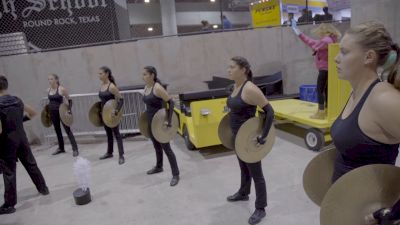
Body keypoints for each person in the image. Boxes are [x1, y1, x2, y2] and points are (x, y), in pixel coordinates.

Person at [329, 21, 400, 223]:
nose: (335, 58)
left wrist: (394, 212)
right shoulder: (356, 94)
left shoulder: (383, 100)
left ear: (368, 57)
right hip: (348, 207)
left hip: (371, 214)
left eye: (343, 52)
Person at [225, 57, 274, 225]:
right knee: (243, 167)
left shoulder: (250, 89)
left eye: (232, 67)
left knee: (256, 173)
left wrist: (263, 136)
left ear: (243, 69)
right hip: (238, 137)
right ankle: (243, 192)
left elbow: (270, 112)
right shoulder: (235, 87)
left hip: (249, 139)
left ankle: (261, 208)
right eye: (228, 67)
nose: (228, 70)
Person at [0, 75, 49, 214]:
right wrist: (19, 121)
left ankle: (9, 205)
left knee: (9, 172)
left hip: (7, 142)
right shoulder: (17, 100)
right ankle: (43, 188)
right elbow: (33, 113)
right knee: (31, 164)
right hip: (22, 139)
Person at [291, 21, 341, 119]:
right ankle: (327, 108)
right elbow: (312, 42)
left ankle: (321, 112)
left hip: (324, 70)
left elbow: (313, 45)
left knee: (319, 90)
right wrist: (299, 34)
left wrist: (299, 33)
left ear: (324, 31)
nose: (319, 35)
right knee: (326, 90)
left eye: (320, 32)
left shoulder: (326, 40)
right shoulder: (331, 40)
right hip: (329, 69)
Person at [142, 66, 180, 186]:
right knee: (156, 146)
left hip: (160, 123)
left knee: (167, 148)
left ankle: (176, 174)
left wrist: (169, 121)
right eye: (143, 74)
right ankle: (159, 166)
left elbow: (170, 102)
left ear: (152, 75)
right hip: (150, 122)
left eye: (145, 74)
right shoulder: (146, 87)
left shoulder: (157, 88)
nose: (143, 76)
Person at [97, 66, 125, 165]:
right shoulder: (101, 86)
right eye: (99, 74)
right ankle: (109, 152)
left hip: (112, 115)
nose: (99, 75)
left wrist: (116, 111)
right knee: (108, 134)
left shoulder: (112, 87)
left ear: (107, 74)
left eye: (101, 73)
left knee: (117, 134)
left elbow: (121, 100)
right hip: (104, 114)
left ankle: (121, 155)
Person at [46, 74, 79, 157]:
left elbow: (70, 100)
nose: (50, 81)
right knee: (57, 130)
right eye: (49, 79)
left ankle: (75, 149)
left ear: (56, 80)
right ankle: (61, 148)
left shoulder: (61, 89)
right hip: (53, 112)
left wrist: (68, 110)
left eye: (51, 79)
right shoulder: (48, 90)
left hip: (61, 111)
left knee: (67, 130)